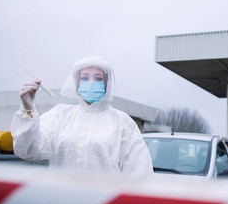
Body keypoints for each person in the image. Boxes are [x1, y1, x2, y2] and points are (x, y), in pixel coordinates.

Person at [10, 55, 153, 175]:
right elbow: (28, 150)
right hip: (63, 203)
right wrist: (27, 109)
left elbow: (140, 175)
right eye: (85, 78)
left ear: (107, 83)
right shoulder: (60, 115)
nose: (91, 83)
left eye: (98, 79)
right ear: (76, 82)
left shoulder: (122, 122)